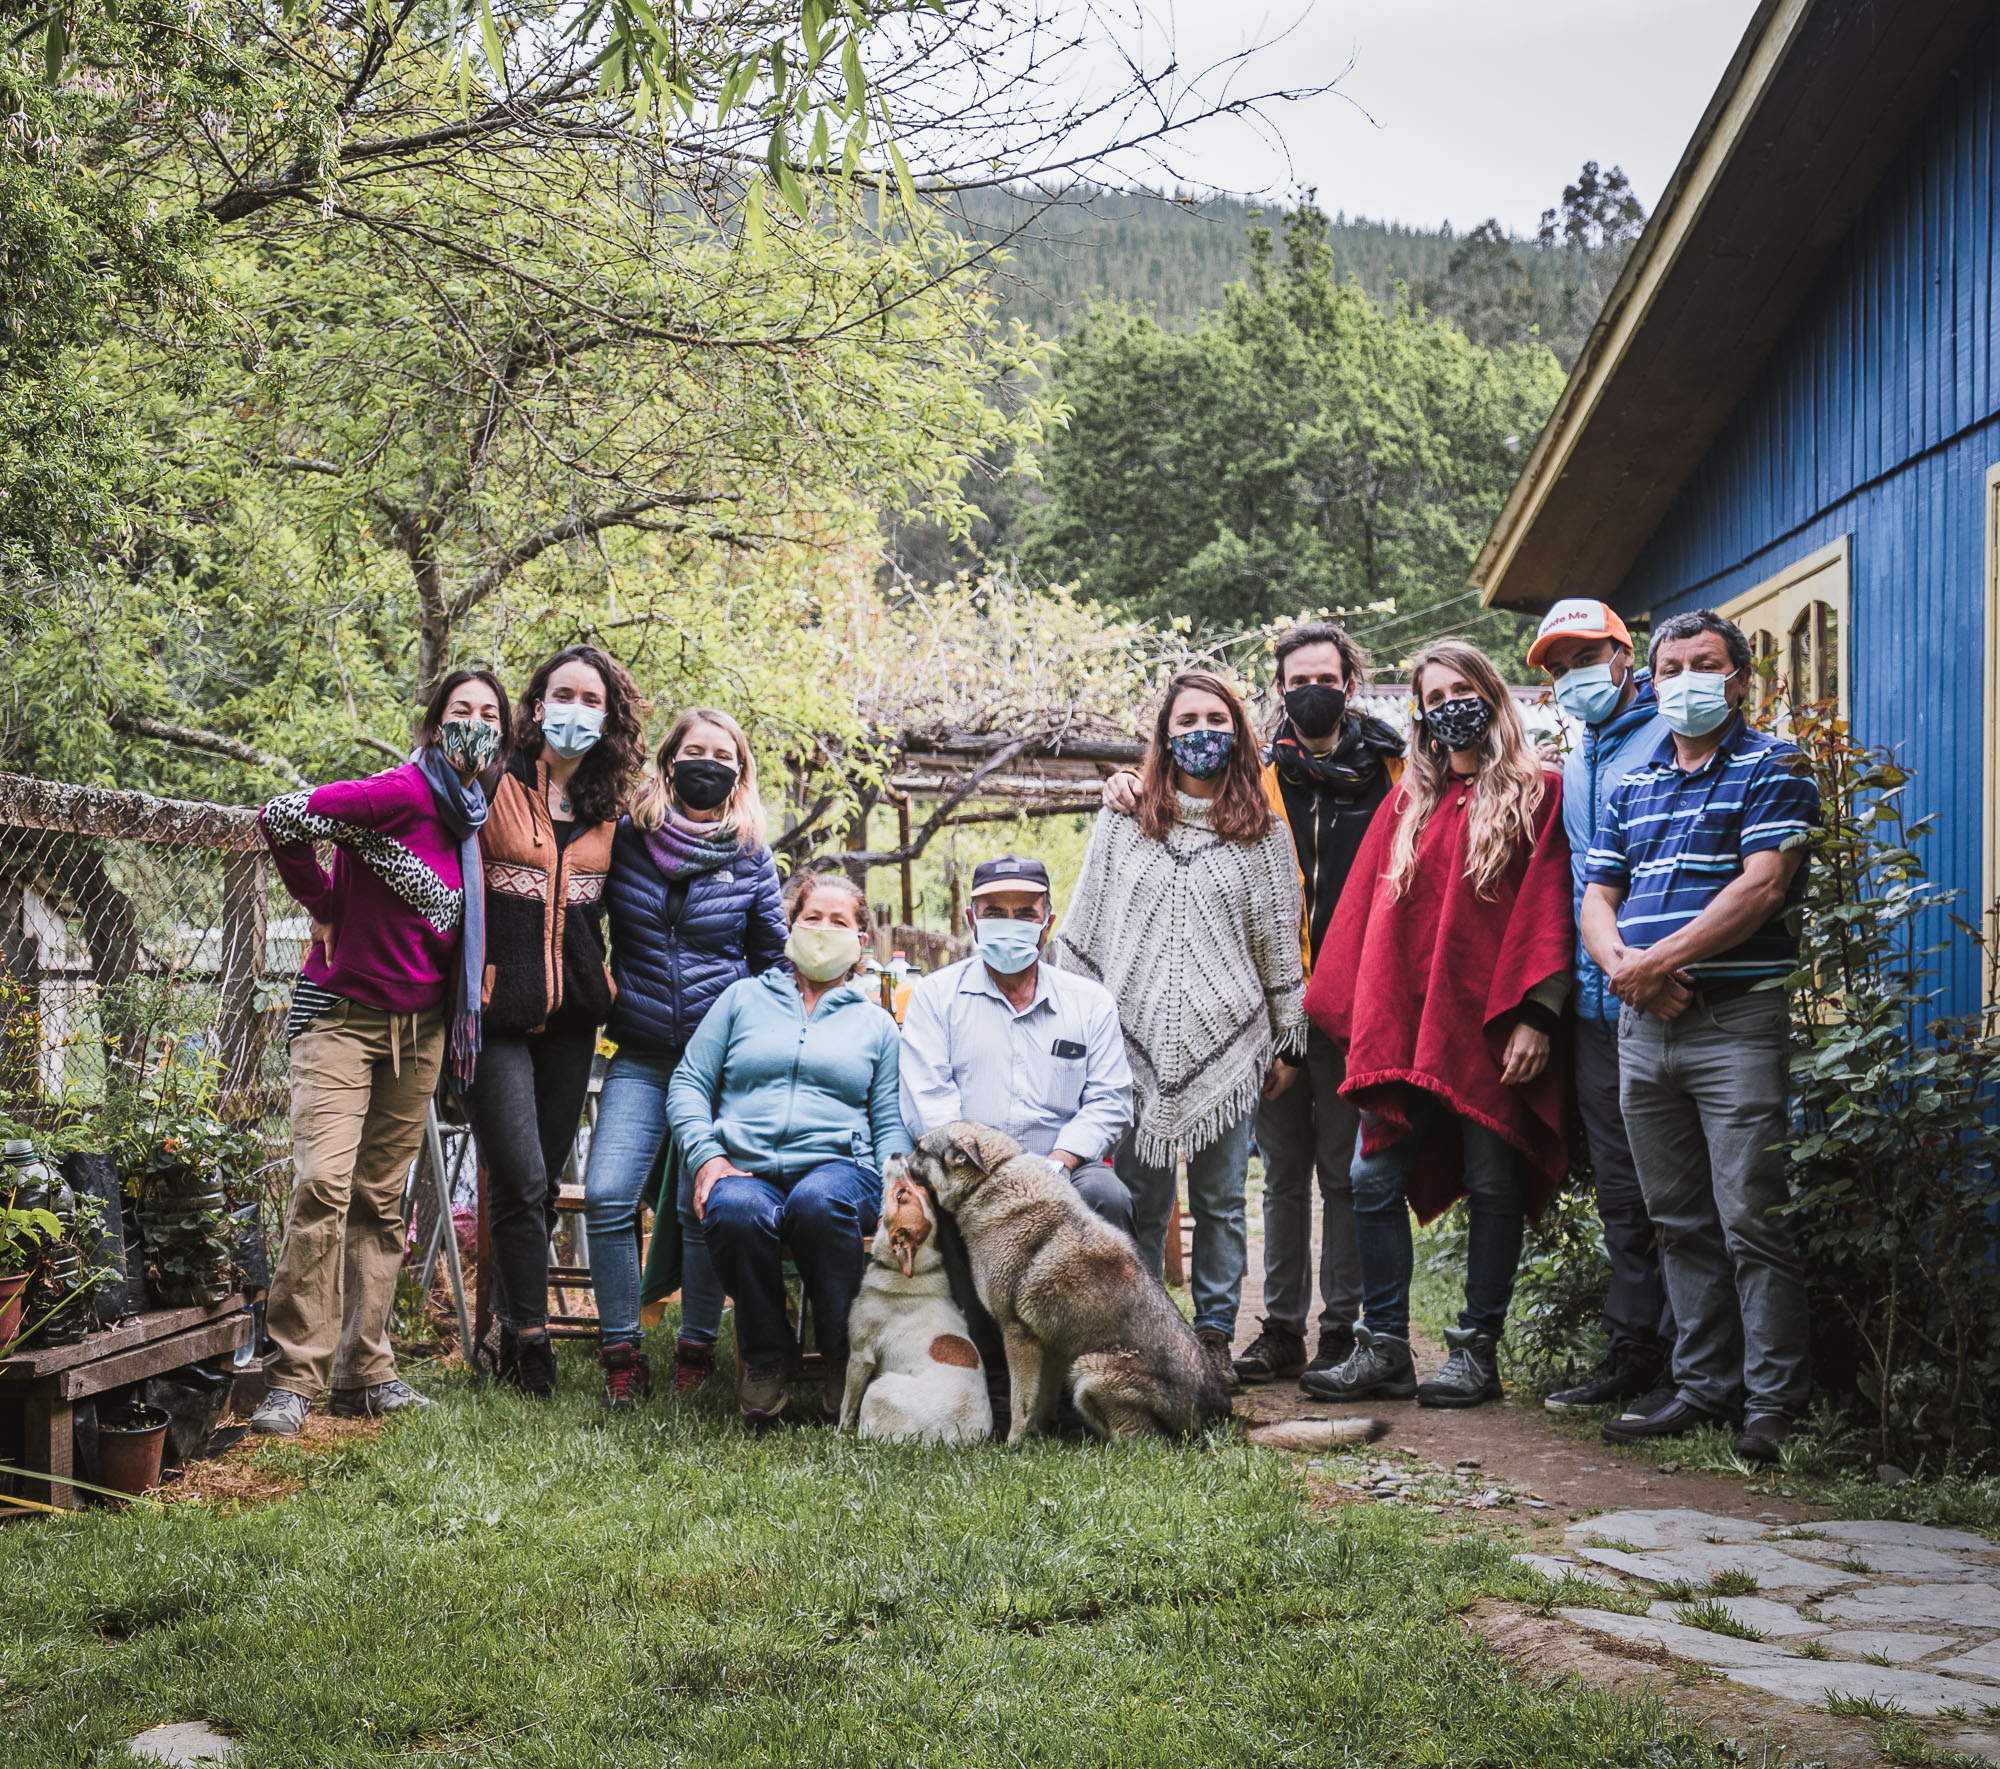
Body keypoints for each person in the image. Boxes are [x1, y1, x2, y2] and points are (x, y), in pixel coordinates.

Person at [1109, 623, 1405, 1387]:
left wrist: (1292, 1031)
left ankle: (1340, 1329)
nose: (1314, 689)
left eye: (1328, 677)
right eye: (1299, 678)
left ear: (1350, 681)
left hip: (1345, 1005)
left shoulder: (1393, 770)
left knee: (1339, 1173)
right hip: (1251, 1026)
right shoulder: (1265, 775)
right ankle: (1277, 1328)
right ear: (1278, 692)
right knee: (1278, 1177)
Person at [1302, 639, 1574, 1409]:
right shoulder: (1406, 803)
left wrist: (1538, 1015)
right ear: (1418, 710)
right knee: (1370, 1176)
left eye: (1464, 687)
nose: (1451, 702)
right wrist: (1361, 1014)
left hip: (1488, 1026)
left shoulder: (1537, 792)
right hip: (1404, 1027)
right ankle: (1385, 1344)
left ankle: (1475, 1351)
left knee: (1493, 1177)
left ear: (1491, 694)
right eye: (1435, 692)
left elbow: (1546, 910)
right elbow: (1369, 924)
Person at [1581, 609, 1820, 1464]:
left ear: (1740, 678)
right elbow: (1598, 896)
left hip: (1736, 1024)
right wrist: (1624, 967)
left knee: (1752, 1214)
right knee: (1677, 1217)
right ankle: (1703, 1387)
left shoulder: (1776, 766)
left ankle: (1772, 1403)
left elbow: (1762, 889)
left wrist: (1658, 961)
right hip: (1646, 1026)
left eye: (1705, 663)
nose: (1686, 678)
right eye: (1671, 665)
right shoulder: (1632, 783)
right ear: (1651, 678)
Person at [249, 669, 508, 1435]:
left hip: (422, 1026)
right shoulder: (396, 792)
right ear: (435, 722)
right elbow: (283, 815)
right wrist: (323, 903)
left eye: (489, 714)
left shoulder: (473, 816)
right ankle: (294, 1377)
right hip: (342, 1018)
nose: (475, 723)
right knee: (322, 1186)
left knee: (381, 1198)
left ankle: (366, 1369)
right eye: (462, 710)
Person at [1052, 669, 1308, 1393]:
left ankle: (1215, 1339)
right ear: (1165, 736)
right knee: (1139, 1198)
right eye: (1187, 719)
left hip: (1233, 1048)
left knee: (1223, 1200)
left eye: (1217, 719)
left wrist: (1290, 1040)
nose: (1203, 732)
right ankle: (1143, 1340)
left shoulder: (1264, 839)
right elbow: (1085, 928)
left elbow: (1279, 949)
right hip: (1128, 1047)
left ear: (1238, 732)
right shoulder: (1124, 821)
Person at [585, 708, 788, 1408]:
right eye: (694, 750)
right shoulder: (627, 840)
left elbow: (773, 964)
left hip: (719, 1064)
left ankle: (697, 1344)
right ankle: (621, 1353)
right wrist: (596, 983)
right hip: (638, 1051)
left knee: (702, 1197)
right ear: (669, 763)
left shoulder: (752, 854)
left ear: (739, 770)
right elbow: (581, 918)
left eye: (723, 753)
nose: (709, 762)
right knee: (609, 1193)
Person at [460, 644, 645, 1398]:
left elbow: (631, 910)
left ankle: (507, 1325)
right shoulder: (491, 784)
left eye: (590, 698)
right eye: (561, 694)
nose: (574, 708)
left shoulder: (613, 811)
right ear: (535, 707)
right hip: (492, 1016)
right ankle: (533, 1344)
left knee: (533, 1186)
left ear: (608, 717)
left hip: (573, 1023)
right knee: (523, 1172)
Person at [899, 852, 1136, 1430]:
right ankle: (1000, 1382)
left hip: (1063, 1166)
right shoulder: (936, 998)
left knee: (1108, 1197)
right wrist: (983, 1178)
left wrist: (1058, 1162)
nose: (1010, 922)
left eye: (1023, 911)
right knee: (952, 1209)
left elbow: (1110, 1100)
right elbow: (930, 1103)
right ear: (971, 918)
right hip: (969, 1171)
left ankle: (1095, 1369)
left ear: (1046, 920)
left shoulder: (1089, 1003)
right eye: (994, 911)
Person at [668, 871, 908, 1424]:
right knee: (734, 1210)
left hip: (841, 1168)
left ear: (860, 942)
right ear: (790, 927)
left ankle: (840, 1358)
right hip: (746, 1163)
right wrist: (709, 1157)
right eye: (811, 918)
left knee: (818, 1205)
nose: (823, 930)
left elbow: (889, 1120)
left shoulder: (876, 1026)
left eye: (839, 922)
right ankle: (766, 1355)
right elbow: (688, 1084)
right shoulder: (741, 1000)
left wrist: (897, 1185)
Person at [1530, 600, 1682, 1416]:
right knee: (1621, 1191)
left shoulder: (1674, 737)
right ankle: (1634, 1351)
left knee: (1678, 1191)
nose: (1571, 675)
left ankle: (1693, 1366)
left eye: (1586, 655)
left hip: (1665, 995)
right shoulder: (1582, 751)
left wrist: (1659, 964)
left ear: (1626, 655)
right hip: (1596, 1006)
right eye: (1557, 665)